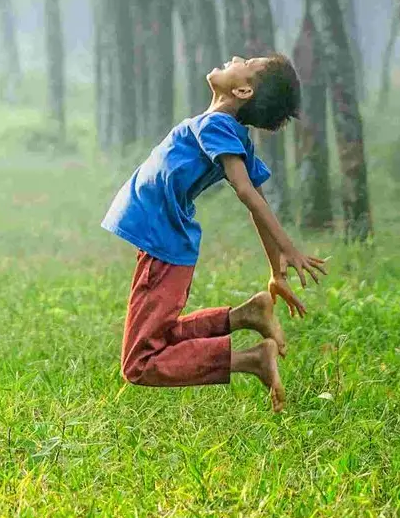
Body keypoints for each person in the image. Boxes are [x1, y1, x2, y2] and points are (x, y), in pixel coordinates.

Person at [103, 54, 327, 411]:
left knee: (140, 363)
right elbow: (257, 196)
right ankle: (246, 316)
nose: (236, 57)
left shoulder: (219, 126)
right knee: (158, 338)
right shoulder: (222, 127)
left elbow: (247, 192)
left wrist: (287, 248)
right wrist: (275, 271)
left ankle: (251, 360)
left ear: (242, 89)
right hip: (163, 243)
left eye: (247, 61)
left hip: (164, 246)